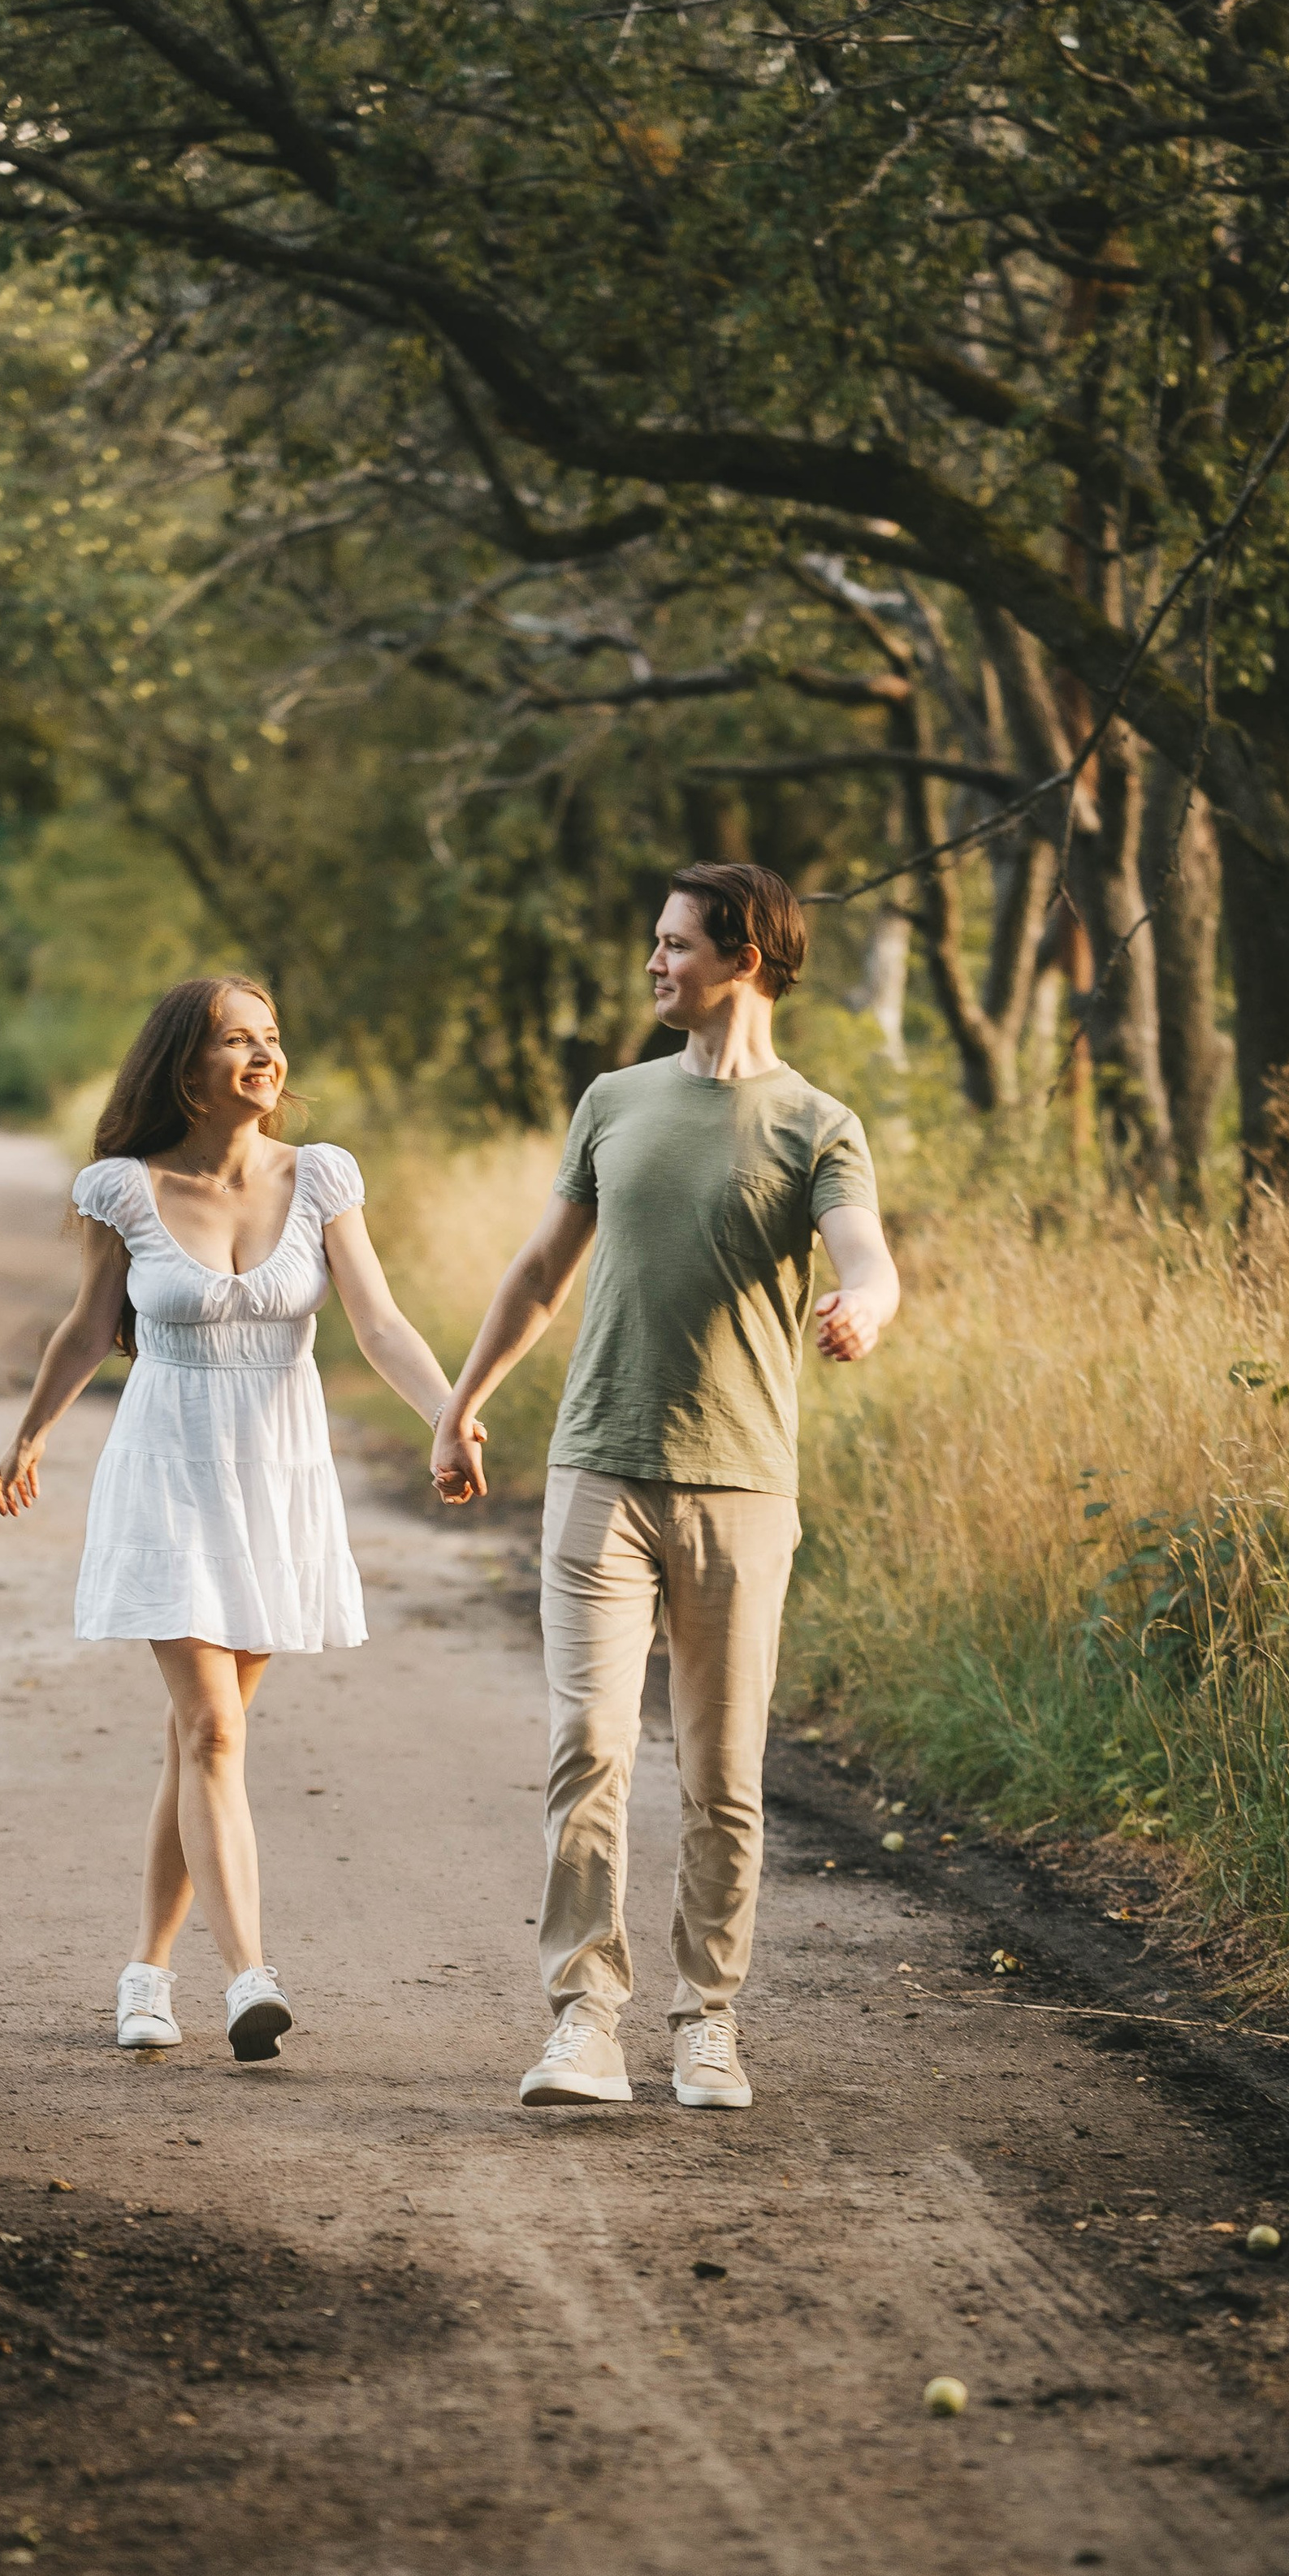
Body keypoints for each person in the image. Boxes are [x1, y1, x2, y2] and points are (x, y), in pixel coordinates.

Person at [429, 864, 899, 2112]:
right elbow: (538, 1271)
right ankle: (584, 2018)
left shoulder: (817, 1124)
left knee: (723, 1771)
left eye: (675, 944)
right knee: (586, 1747)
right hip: (598, 1472)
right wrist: (464, 1402)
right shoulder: (614, 1100)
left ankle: (708, 2020)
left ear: (744, 956)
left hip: (743, 1488)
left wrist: (866, 1307)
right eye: (655, 941)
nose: (654, 964)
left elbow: (869, 1257)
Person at [0, 977, 469, 2064]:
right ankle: (249, 1975)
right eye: (234, 1041)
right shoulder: (125, 1189)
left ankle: (144, 1975)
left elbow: (381, 1323)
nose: (264, 1056)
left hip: (277, 1477)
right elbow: (83, 1330)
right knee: (214, 1732)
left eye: (272, 1038)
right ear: (183, 1066)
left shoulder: (322, 1178)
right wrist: (30, 1434)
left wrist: (448, 1414)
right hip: (168, 1472)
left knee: (201, 1740)